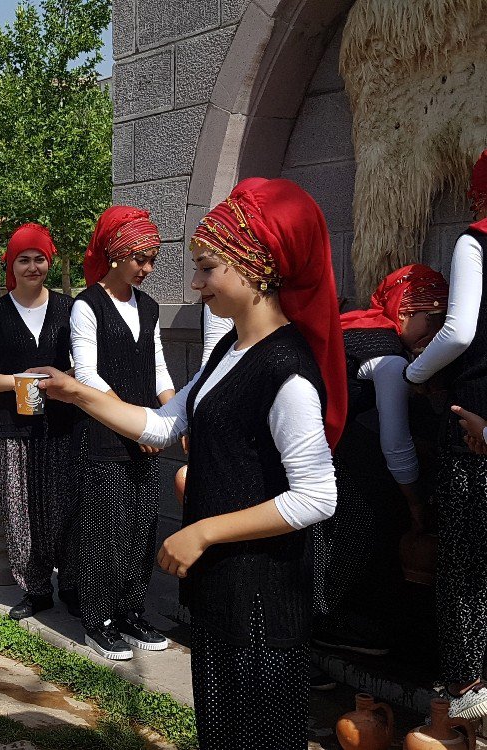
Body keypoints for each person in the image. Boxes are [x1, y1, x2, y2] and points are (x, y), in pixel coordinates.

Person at [35, 177, 345, 749]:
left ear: (256, 270)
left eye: (207, 269)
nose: (196, 283)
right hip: (223, 587)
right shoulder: (230, 351)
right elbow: (161, 423)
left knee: (258, 732)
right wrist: (77, 393)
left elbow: (317, 495)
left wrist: (202, 532)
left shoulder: (288, 371)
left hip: (263, 593)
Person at [312, 264, 448, 657]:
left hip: (315, 451)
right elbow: (396, 444)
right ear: (404, 311)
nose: (437, 332)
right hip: (331, 462)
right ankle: (327, 627)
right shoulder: (388, 356)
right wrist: (415, 503)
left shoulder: (358, 330)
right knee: (351, 540)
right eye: (432, 320)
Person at [402, 148, 487, 721]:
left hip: (472, 421)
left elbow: (457, 331)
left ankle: (467, 688)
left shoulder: (473, 242)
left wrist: (413, 371)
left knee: (464, 561)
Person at [71, 206, 176, 660]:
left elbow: (159, 371)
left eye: (152, 259)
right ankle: (98, 620)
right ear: (115, 254)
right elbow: (86, 375)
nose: (148, 269)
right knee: (105, 530)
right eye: (141, 259)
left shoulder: (148, 308)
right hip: (105, 437)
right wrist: (135, 423)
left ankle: (131, 610)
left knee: (141, 527)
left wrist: (176, 413)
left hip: (146, 436)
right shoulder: (86, 306)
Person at [0, 223, 80, 620]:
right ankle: (34, 589)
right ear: (10, 265)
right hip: (14, 427)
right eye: (24, 259)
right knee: (19, 509)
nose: (32, 267)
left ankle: (71, 583)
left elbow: (85, 367)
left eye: (39, 259)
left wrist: (65, 382)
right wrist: (18, 381)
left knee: (66, 504)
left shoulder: (71, 309)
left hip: (64, 424)